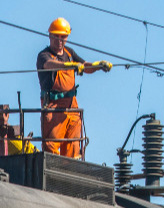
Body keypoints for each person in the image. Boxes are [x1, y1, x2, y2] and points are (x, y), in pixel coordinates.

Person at [36, 18, 111, 159]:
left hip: (71, 106)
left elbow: (85, 66)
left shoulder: (69, 53)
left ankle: (70, 169)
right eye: (56, 36)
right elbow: (49, 64)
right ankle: (52, 169)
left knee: (73, 144)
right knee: (51, 145)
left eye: (63, 37)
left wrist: (98, 66)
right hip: (53, 107)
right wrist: (68, 66)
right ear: (50, 36)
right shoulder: (44, 55)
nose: (60, 41)